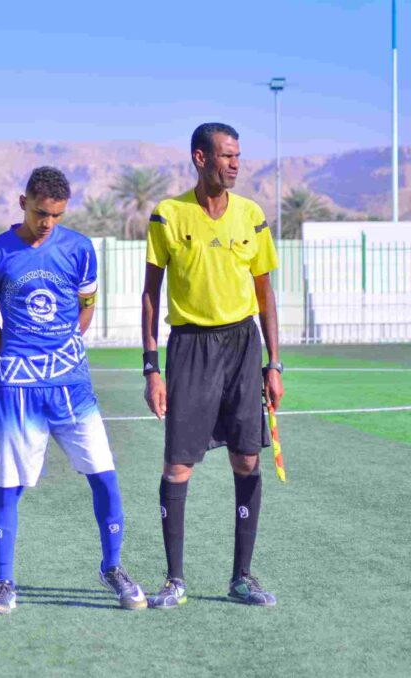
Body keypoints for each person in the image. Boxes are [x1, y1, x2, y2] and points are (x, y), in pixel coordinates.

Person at [0, 167, 147, 613]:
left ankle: (113, 567)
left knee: (104, 477)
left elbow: (87, 305)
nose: (46, 222)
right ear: (22, 202)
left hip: (72, 386)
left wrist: (68, 347)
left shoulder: (79, 249)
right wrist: (11, 352)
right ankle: (4, 581)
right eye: (39, 212)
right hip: (18, 389)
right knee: (10, 484)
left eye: (55, 214)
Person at [142, 122, 284, 609]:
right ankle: (175, 580)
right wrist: (151, 368)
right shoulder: (167, 215)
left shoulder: (252, 216)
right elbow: (149, 293)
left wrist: (275, 363)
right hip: (190, 348)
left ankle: (241, 577)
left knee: (247, 458)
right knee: (178, 464)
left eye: (238, 156)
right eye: (225, 156)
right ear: (200, 159)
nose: (235, 164)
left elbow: (265, 295)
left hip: (243, 346)